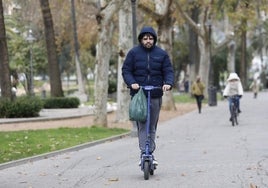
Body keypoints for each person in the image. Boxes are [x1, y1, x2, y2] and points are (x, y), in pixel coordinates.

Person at [122, 26, 174, 166]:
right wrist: (132, 82)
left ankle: (150, 152)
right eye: (145, 38)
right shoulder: (133, 53)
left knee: (152, 125)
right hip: (139, 95)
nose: (148, 41)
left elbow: (168, 70)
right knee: (143, 124)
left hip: (156, 94)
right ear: (141, 39)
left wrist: (168, 83)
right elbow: (126, 70)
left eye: (150, 38)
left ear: (154, 39)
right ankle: (143, 152)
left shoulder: (161, 54)